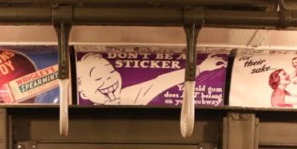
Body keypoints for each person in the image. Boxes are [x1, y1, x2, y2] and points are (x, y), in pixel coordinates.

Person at [77, 52, 226, 105]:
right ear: (82, 93)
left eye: (110, 71)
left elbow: (160, 82)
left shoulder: (128, 95)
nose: (109, 80)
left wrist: (200, 68)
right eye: (97, 77)